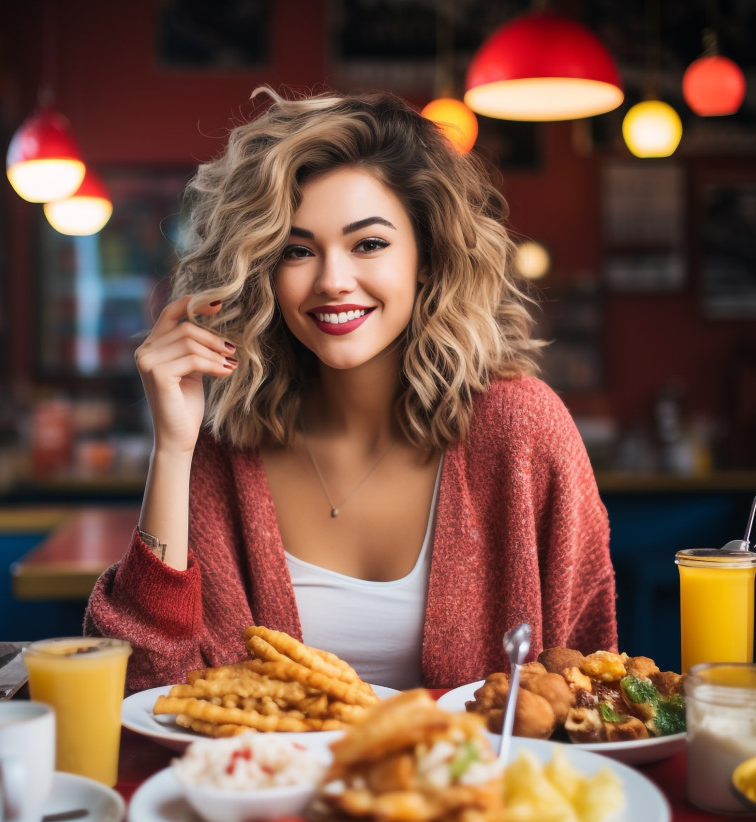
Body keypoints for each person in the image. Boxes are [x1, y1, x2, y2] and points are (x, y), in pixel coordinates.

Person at [85, 87, 617, 692]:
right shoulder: (224, 443)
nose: (333, 280)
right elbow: (142, 689)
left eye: (369, 243)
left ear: (427, 256)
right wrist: (173, 451)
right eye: (296, 250)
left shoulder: (522, 428)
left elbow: (592, 690)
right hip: (265, 787)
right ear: (262, 270)